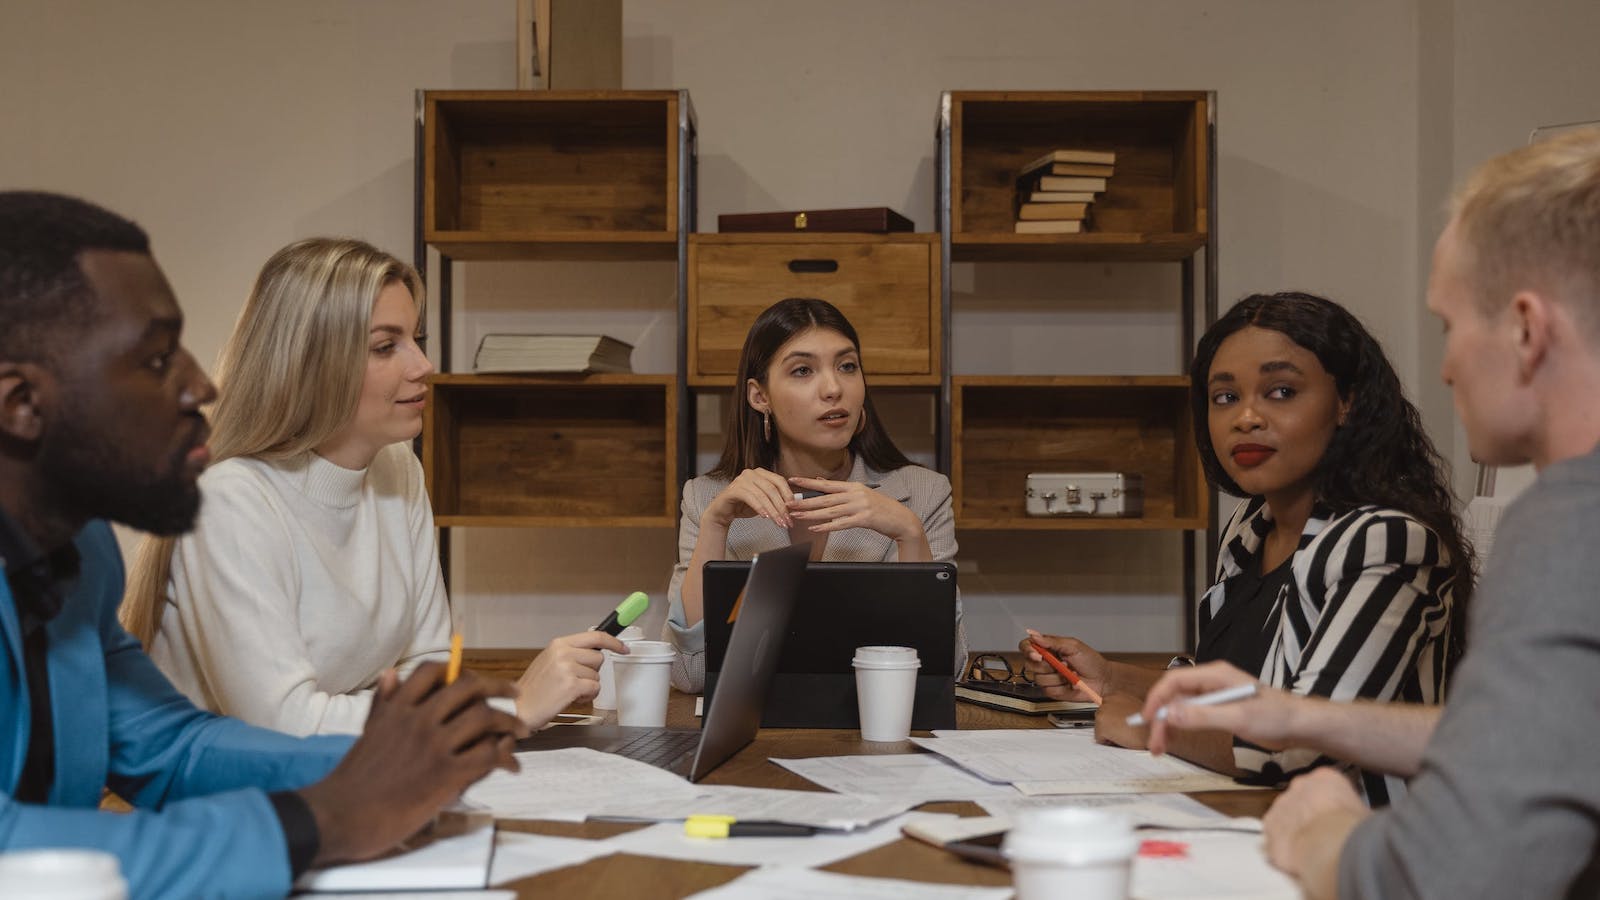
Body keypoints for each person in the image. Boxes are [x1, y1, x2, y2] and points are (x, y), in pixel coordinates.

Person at [0, 191, 523, 896]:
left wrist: (402, 763)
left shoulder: (81, 551)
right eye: (156, 359)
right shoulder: (230, 501)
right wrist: (317, 820)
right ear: (22, 406)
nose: (202, 383)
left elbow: (169, 746)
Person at [1140, 128, 1600, 898]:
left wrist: (1320, 832)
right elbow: (1539, 744)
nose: (1447, 366)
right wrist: (1306, 717)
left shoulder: (1568, 525)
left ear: (1526, 330)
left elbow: (1453, 874)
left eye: (1452, 327)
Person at [119, 237, 624, 736]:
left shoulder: (397, 469)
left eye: (415, 340)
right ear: (311, 366)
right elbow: (281, 724)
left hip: (348, 780)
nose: (423, 366)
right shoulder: (229, 502)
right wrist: (503, 711)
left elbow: (427, 667)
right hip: (229, 802)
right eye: (386, 347)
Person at [1023, 291, 1471, 804]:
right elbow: (1236, 695)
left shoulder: (1387, 541)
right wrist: (1109, 676)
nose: (1246, 418)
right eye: (1225, 397)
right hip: (1236, 821)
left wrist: (1152, 724)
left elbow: (1302, 744)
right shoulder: (1248, 526)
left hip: (1358, 854)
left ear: (1347, 401)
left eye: (1281, 391)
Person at [664, 297, 961, 692]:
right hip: (755, 742)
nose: (834, 388)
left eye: (847, 366)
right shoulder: (706, 499)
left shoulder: (924, 493)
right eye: (803, 370)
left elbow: (940, 674)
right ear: (759, 396)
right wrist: (716, 525)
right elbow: (691, 675)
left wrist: (910, 533)